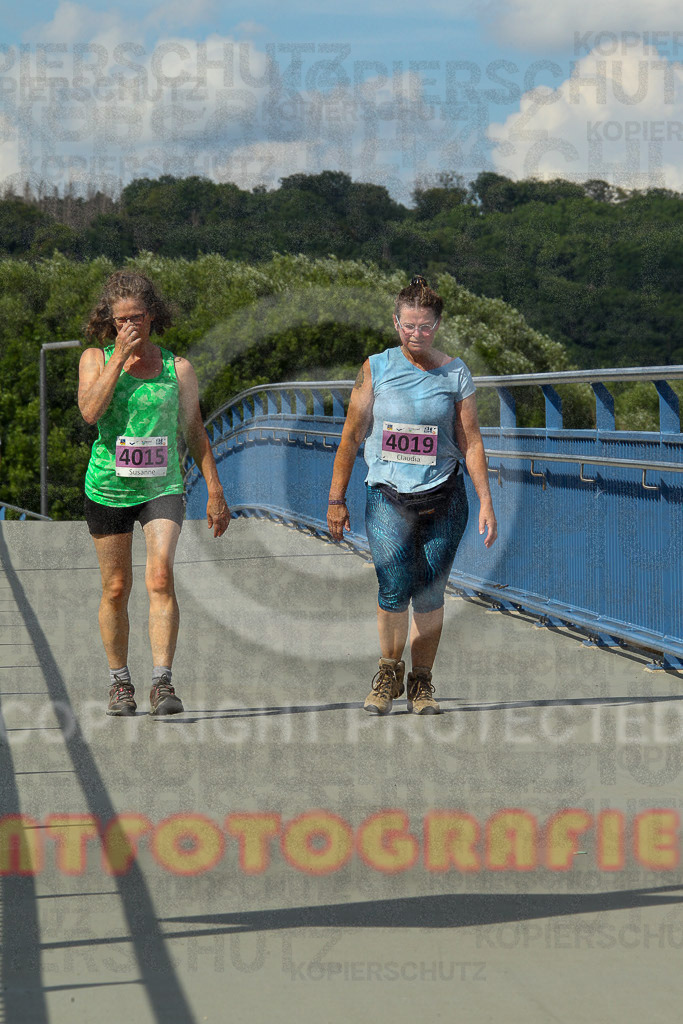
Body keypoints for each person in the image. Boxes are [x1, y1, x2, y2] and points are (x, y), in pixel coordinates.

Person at [327, 276, 497, 715]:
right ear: (395, 322)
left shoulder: (455, 372)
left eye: (424, 327)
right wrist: (336, 499)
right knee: (393, 585)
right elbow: (350, 437)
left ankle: (421, 682)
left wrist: (487, 502)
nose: (415, 335)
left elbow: (471, 440)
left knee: (430, 592)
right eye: (408, 326)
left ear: (437, 325)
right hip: (388, 493)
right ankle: (388, 673)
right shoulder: (375, 368)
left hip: (444, 494)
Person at [78, 271, 230, 717]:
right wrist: (117, 359)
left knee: (160, 576)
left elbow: (195, 431)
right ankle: (119, 683)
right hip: (108, 485)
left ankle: (162, 683)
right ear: (110, 321)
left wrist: (216, 490)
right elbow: (90, 411)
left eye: (138, 318)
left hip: (161, 485)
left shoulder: (177, 368)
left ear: (152, 316)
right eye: (121, 320)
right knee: (116, 587)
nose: (130, 327)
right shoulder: (94, 358)